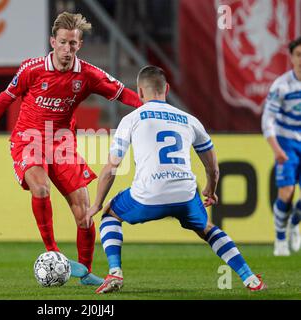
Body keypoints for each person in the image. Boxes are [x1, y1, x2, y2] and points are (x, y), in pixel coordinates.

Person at [0, 12, 142, 285]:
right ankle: (53, 252)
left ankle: (84, 271)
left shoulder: (88, 74)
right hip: (28, 138)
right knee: (41, 187)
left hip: (62, 143)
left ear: (79, 45)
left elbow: (122, 93)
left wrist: (153, 107)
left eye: (73, 44)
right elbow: (3, 99)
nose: (67, 49)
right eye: (63, 42)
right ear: (52, 42)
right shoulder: (32, 69)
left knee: (84, 213)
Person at [86, 65, 267, 294]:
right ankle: (249, 278)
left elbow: (112, 166)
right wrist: (210, 190)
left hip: (148, 194)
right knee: (207, 229)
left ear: (140, 92)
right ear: (167, 89)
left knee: (111, 213)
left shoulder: (132, 118)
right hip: (185, 192)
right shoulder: (189, 119)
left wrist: (97, 203)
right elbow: (213, 167)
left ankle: (115, 273)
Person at [261, 37, 301, 256]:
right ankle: (280, 239)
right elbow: (267, 120)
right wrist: (276, 148)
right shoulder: (282, 86)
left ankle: (295, 222)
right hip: (286, 141)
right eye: (298, 55)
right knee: (286, 191)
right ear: (291, 58)